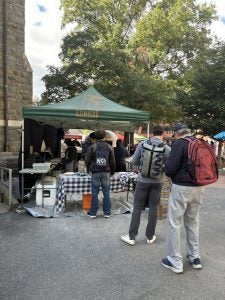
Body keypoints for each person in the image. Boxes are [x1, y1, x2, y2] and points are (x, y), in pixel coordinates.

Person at [162, 123, 204, 274]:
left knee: (175, 222)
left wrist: (167, 170)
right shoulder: (198, 143)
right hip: (199, 186)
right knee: (193, 221)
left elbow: (170, 168)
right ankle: (195, 257)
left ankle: (175, 260)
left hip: (181, 187)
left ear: (176, 134)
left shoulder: (179, 144)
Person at [120, 126, 171, 245]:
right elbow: (171, 164)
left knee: (137, 207)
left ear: (152, 133)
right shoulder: (167, 148)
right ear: (162, 134)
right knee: (153, 208)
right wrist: (162, 169)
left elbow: (133, 161)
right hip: (157, 182)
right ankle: (150, 236)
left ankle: (132, 237)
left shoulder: (143, 144)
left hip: (142, 181)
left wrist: (139, 167)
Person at [85, 129, 116, 218]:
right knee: (106, 192)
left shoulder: (92, 147)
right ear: (104, 136)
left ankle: (93, 213)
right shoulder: (109, 147)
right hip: (106, 172)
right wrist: (112, 172)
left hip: (95, 172)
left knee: (94, 192)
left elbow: (87, 160)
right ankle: (107, 212)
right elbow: (112, 161)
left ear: (95, 136)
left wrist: (88, 170)